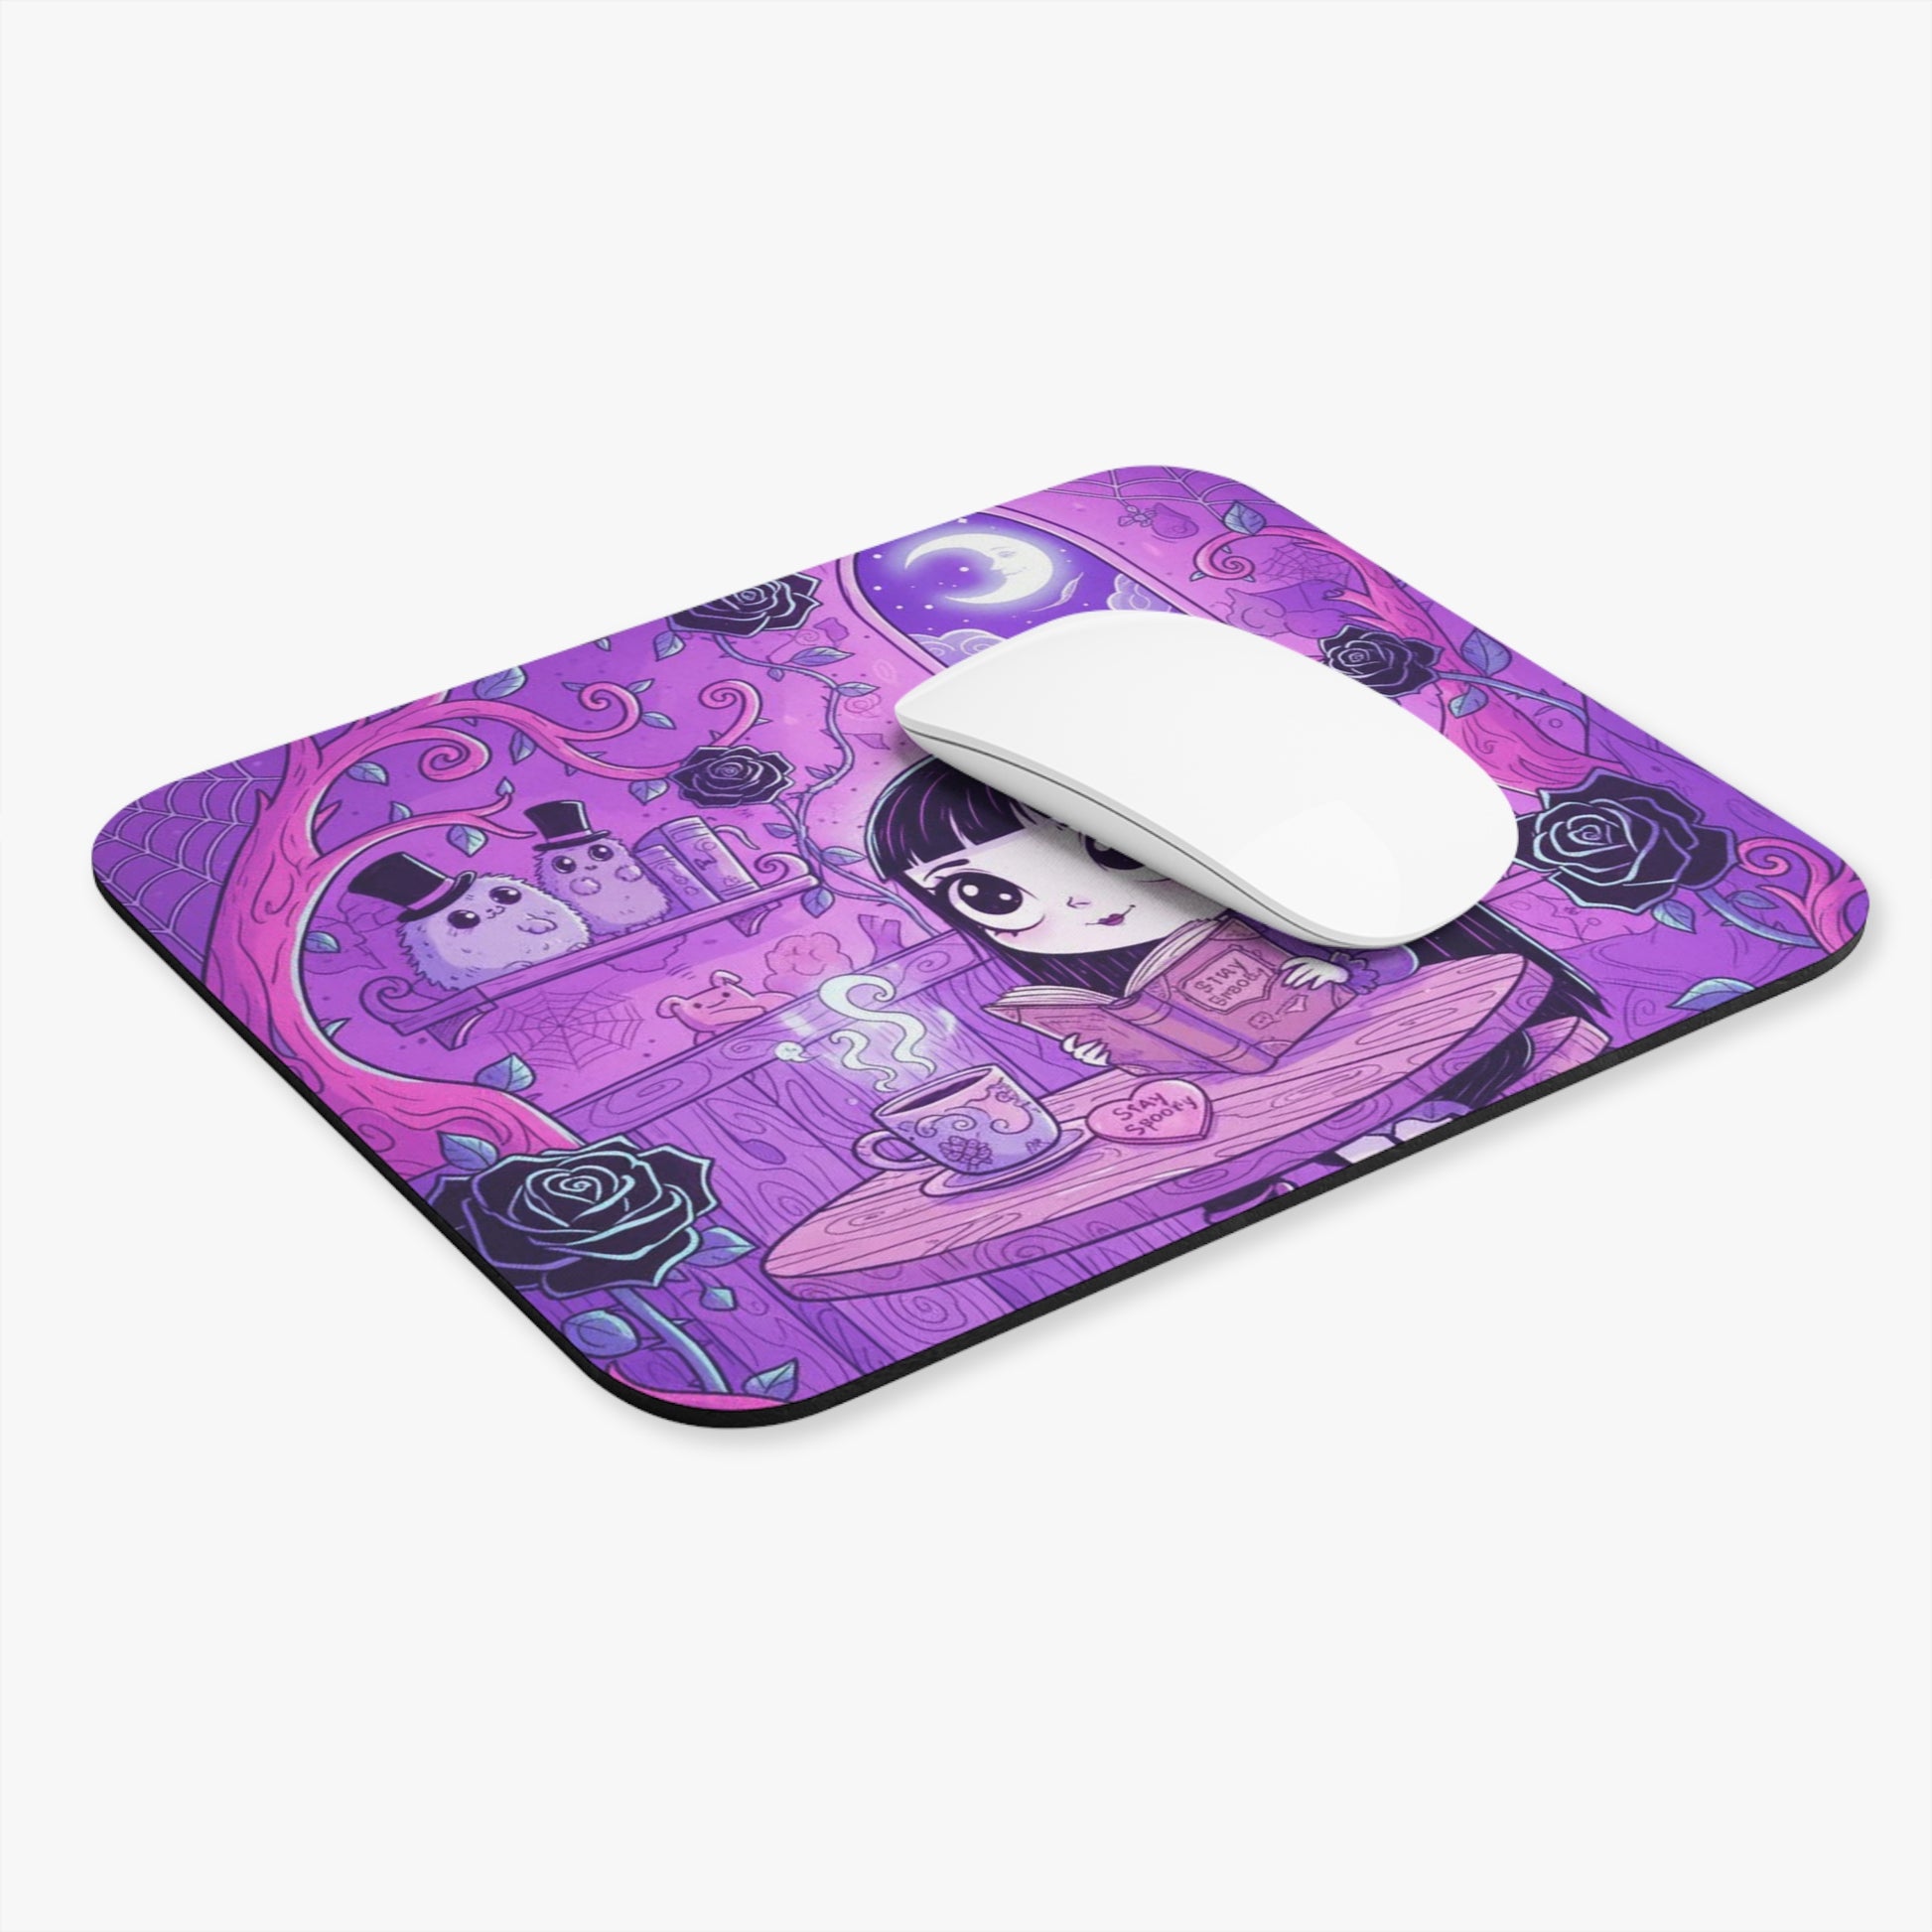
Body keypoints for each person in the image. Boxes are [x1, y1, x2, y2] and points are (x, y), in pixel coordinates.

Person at [865, 757, 1602, 1119]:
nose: (1083, 900)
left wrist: (1345, 975)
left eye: (1107, 850)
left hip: (1435, 1058)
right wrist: (1125, 1050)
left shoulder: (1286, 896)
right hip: (1295, 1097)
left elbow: (1418, 968)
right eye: (989, 895)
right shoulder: (1116, 981)